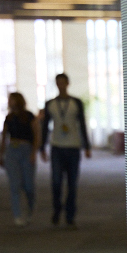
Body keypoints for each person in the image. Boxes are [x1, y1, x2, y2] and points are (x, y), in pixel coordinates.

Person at [40, 72, 91, 227]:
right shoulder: (50, 104)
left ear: (68, 84)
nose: (61, 85)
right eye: (58, 83)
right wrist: (42, 147)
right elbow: (45, 126)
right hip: (56, 147)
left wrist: (87, 146)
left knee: (72, 183)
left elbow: (82, 124)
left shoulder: (76, 103)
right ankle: (57, 208)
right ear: (56, 84)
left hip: (73, 147)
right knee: (56, 182)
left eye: (63, 82)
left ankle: (70, 215)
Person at [0, 91, 38, 225]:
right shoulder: (8, 118)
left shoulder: (29, 116)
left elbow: (36, 135)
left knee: (28, 185)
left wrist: (34, 152)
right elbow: (4, 138)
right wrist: (1, 155)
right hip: (12, 151)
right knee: (14, 184)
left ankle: (31, 208)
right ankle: (17, 215)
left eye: (12, 99)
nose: (10, 102)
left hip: (26, 149)